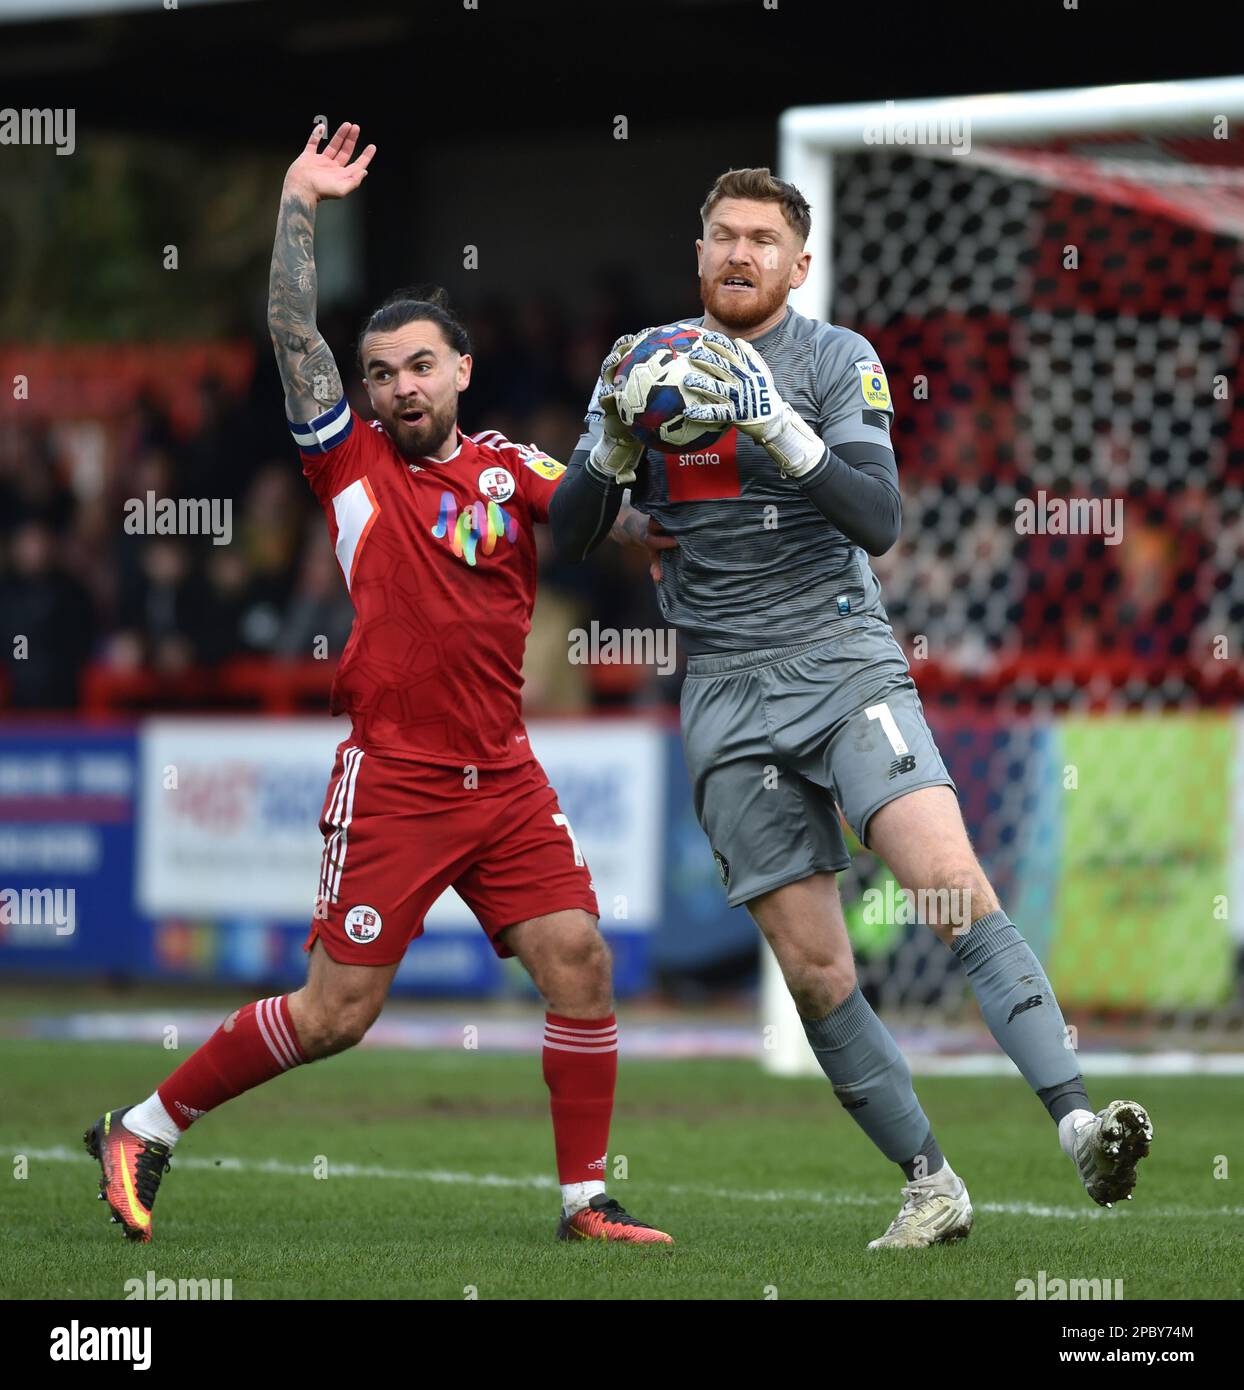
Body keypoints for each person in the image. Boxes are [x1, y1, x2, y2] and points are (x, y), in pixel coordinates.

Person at [85, 121, 671, 1248]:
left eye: (418, 366)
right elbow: (287, 325)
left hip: (500, 773)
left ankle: (583, 1202)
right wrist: (299, 202)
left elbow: (617, 524)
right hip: (396, 772)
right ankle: (145, 1122)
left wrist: (695, 517)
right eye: (380, 374)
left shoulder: (515, 468)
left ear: (459, 369)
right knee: (336, 1013)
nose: (399, 388)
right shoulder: (343, 459)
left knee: (579, 960)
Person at [550, 166, 1151, 1249]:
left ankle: (1075, 1122)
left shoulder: (836, 360)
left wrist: (778, 426)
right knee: (817, 970)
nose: (739, 253)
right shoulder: (640, 367)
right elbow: (566, 536)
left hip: (839, 661)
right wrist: (607, 450)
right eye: (722, 235)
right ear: (697, 252)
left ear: (797, 263)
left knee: (947, 885)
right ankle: (929, 1183)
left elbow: (877, 517)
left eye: (762, 240)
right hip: (725, 692)